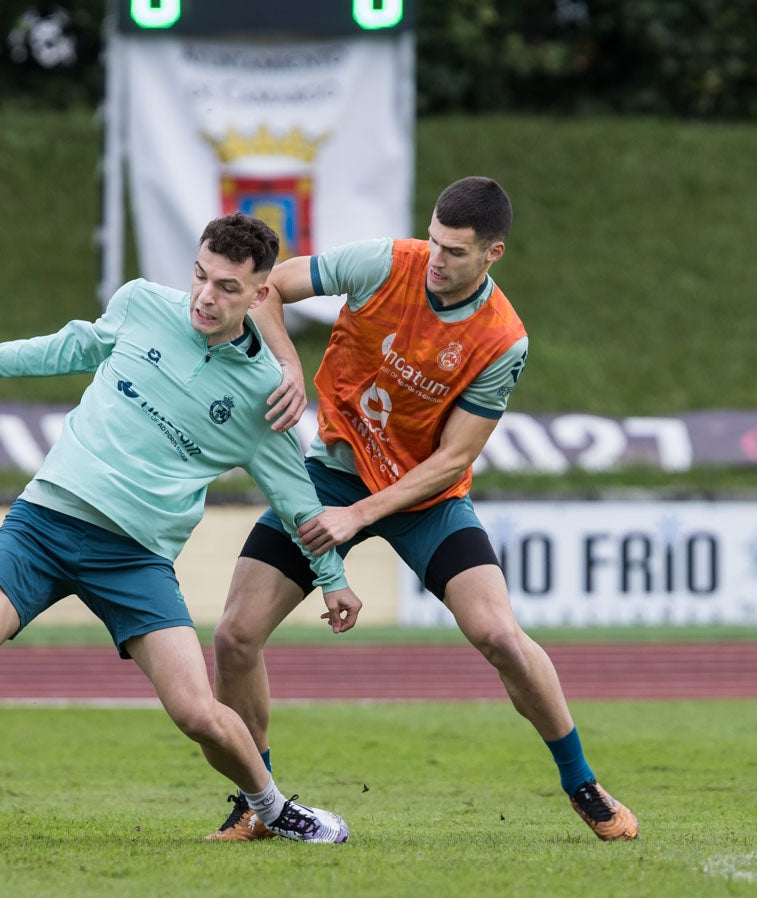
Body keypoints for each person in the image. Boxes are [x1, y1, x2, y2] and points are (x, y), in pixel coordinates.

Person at [0, 213, 362, 846]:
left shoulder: (265, 394)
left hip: (135, 558)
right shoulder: (142, 302)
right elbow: (74, 343)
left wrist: (333, 578)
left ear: (260, 295)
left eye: (228, 287)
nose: (205, 295)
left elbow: (294, 498)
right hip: (45, 521)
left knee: (198, 713)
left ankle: (276, 810)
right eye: (200, 276)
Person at [206, 176, 638, 842]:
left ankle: (581, 782)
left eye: (454, 252)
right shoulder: (384, 263)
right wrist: (288, 364)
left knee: (498, 636)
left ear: (491, 254)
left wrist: (360, 515)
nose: (435, 259)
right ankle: (258, 805)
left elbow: (451, 460)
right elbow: (267, 290)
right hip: (331, 474)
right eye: (433, 241)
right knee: (234, 636)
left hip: (426, 500)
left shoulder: (502, 340)